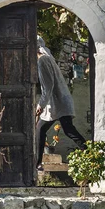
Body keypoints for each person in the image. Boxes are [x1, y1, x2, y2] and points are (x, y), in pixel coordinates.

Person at [36, 36, 86, 171]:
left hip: (57, 102)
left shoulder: (42, 61)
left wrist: (40, 105)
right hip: (59, 101)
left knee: (63, 130)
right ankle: (89, 151)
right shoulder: (49, 58)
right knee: (43, 129)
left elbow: (48, 86)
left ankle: (89, 152)